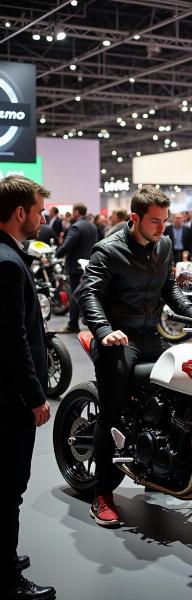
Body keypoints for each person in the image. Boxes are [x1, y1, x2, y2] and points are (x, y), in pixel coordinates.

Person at [78, 186, 192, 528]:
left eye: (166, 221)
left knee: (182, 386)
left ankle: (162, 466)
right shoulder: (108, 251)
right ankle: (102, 494)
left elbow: (169, 289)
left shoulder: (162, 246)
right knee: (112, 412)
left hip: (152, 335)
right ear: (134, 218)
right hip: (119, 339)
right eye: (155, 221)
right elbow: (87, 294)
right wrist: (105, 331)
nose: (162, 228)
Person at [0, 175, 56, 600]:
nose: (42, 217)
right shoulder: (8, 261)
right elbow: (14, 338)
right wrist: (36, 396)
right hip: (10, 398)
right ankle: (6, 577)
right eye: (38, 211)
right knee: (9, 487)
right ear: (20, 213)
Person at [55, 203, 98, 334]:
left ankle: (73, 324)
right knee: (86, 293)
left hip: (76, 265)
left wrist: (57, 253)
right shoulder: (92, 226)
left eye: (73, 212)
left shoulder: (76, 227)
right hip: (89, 263)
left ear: (77, 212)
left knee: (75, 294)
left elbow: (67, 245)